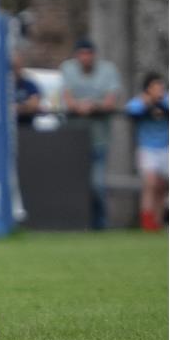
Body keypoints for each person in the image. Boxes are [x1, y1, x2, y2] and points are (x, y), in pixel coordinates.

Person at [58, 38, 122, 229]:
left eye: (89, 53)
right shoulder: (67, 69)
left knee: (97, 184)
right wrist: (79, 106)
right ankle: (74, 224)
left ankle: (100, 225)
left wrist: (93, 106)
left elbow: (110, 102)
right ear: (76, 55)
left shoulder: (108, 70)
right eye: (82, 54)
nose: (85, 58)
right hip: (73, 137)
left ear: (94, 55)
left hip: (98, 139)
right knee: (74, 184)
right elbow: (68, 100)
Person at [124, 73, 168, 231]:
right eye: (155, 88)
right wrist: (149, 102)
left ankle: (158, 220)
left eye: (161, 88)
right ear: (148, 89)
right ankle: (147, 222)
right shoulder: (140, 101)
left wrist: (160, 102)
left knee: (163, 186)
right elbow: (131, 110)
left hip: (166, 148)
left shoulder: (166, 100)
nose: (159, 91)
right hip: (147, 148)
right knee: (150, 183)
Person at [12, 52, 42, 117]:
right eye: (13, 67)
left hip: (25, 122)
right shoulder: (0, 86)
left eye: (18, 67)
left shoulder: (29, 85)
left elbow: (34, 104)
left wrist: (17, 107)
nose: (15, 70)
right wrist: (25, 106)